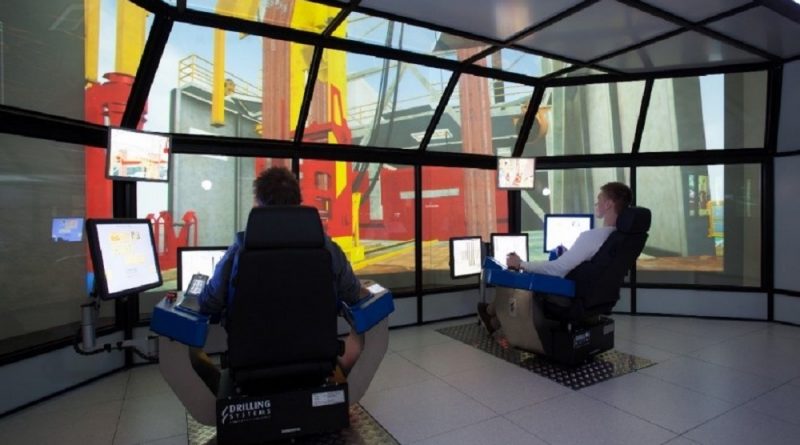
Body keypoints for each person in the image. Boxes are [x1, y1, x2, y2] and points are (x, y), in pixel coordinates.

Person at [197, 166, 369, 373]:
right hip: (317, 360)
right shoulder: (327, 249)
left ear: (259, 204)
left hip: (250, 364)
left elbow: (210, 302)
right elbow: (352, 294)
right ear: (298, 202)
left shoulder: (239, 251)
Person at [477, 182, 633, 334]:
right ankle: (493, 321)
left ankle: (490, 311)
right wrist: (570, 256)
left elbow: (557, 269)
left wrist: (521, 264)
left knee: (514, 279)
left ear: (608, 204)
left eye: (599, 200)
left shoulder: (592, 237)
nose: (596, 204)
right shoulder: (619, 239)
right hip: (595, 297)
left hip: (569, 297)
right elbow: (594, 267)